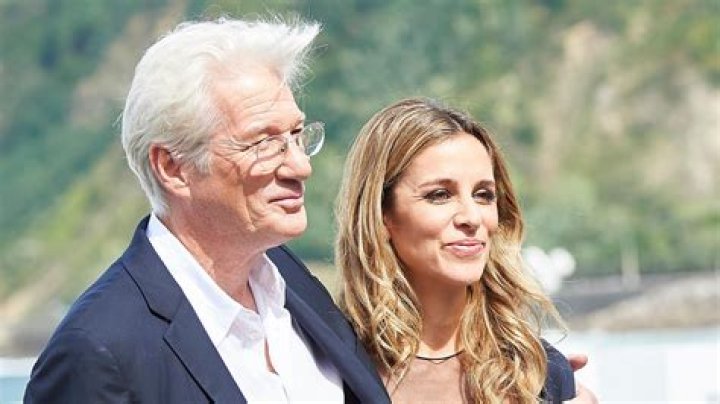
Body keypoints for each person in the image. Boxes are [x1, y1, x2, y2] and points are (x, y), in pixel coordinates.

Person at [24, 18, 389, 403]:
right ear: (172, 167)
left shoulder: (289, 279)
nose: (300, 166)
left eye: (296, 135)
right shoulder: (97, 351)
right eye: (264, 143)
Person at [336, 97, 591, 403]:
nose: (472, 217)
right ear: (381, 214)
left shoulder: (537, 373)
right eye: (439, 195)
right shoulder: (328, 372)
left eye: (484, 195)